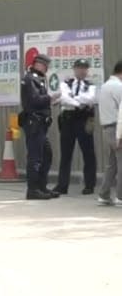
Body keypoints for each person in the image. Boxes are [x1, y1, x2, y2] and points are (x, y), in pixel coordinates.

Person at [52, 58, 97, 195]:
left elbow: (91, 98)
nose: (82, 70)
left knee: (88, 154)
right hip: (68, 121)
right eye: (79, 68)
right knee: (66, 154)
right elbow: (65, 98)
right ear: (74, 69)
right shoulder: (65, 84)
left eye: (84, 68)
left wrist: (71, 100)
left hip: (84, 121)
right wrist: (78, 102)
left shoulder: (91, 86)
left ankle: (89, 185)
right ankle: (62, 185)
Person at [19, 53, 61, 200]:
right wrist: (51, 97)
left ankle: (41, 186)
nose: (47, 69)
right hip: (34, 123)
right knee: (35, 158)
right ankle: (33, 190)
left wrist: (50, 101)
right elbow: (34, 101)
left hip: (41, 124)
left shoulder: (38, 79)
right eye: (45, 66)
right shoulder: (29, 79)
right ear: (38, 64)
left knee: (46, 155)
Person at [96, 60, 122, 205]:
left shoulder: (106, 85)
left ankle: (104, 195)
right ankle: (120, 196)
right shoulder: (118, 86)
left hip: (107, 128)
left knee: (113, 163)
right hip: (117, 127)